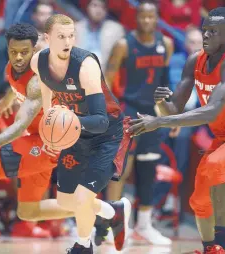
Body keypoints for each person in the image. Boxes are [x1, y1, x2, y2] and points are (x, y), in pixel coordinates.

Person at [0, 23, 127, 254]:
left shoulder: (37, 79)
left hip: (48, 143)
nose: (19, 58)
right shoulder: (12, 67)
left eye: (25, 52)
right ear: (8, 48)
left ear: (35, 50)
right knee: (29, 211)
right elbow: (15, 85)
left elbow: (21, 123)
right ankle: (110, 211)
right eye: (14, 52)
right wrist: (6, 99)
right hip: (42, 140)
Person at [126, 7, 225, 254]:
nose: (205, 35)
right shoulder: (195, 60)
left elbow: (210, 112)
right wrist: (163, 103)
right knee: (198, 200)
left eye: (212, 32)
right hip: (224, 137)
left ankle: (222, 247)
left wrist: (159, 122)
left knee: (215, 165)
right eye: (204, 30)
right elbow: (174, 108)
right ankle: (210, 249)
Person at [30, 14, 132, 253]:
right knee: (65, 200)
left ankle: (83, 246)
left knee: (82, 198)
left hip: (107, 134)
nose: (67, 41)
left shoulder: (85, 65)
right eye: (60, 36)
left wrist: (67, 121)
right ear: (47, 38)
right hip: (74, 133)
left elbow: (99, 120)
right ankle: (112, 211)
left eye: (71, 36)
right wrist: (50, 134)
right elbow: (48, 102)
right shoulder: (39, 62)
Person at [98, 1, 174, 245]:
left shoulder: (166, 44)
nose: (146, 21)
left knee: (149, 168)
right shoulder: (124, 45)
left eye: (151, 17)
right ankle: (112, 224)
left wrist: (170, 114)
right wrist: (110, 112)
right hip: (129, 111)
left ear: (157, 18)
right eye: (142, 16)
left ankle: (144, 225)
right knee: (120, 169)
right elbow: (106, 80)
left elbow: (164, 84)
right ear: (136, 18)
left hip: (153, 112)